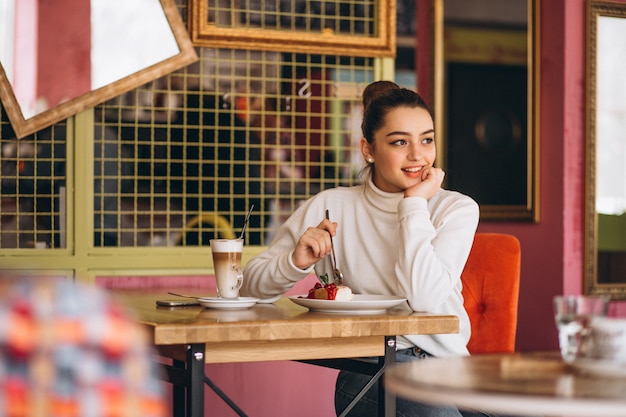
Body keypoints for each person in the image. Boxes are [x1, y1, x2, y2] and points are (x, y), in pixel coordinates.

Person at [242, 81, 486, 416]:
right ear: (368, 149)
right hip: (370, 368)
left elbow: (424, 296)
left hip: (450, 365)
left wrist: (413, 205)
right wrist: (293, 261)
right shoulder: (331, 205)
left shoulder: (455, 208)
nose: (417, 155)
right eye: (400, 141)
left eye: (426, 140)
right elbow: (248, 288)